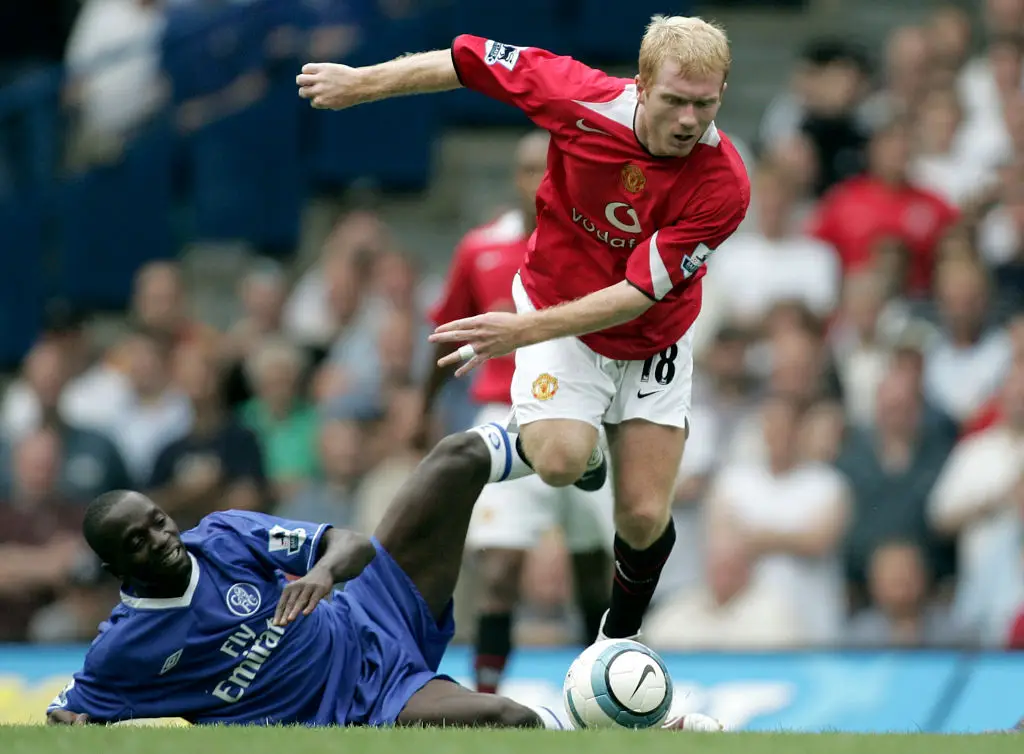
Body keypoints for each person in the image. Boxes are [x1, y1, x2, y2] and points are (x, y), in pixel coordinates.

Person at [297, 15, 750, 641]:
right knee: (562, 460)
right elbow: (466, 60)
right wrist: (362, 82)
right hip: (557, 310)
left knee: (643, 517)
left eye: (704, 104)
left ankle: (616, 645)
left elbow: (637, 294)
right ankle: (586, 453)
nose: (687, 120)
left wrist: (524, 330)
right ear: (642, 84)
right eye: (674, 100)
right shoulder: (577, 94)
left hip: (651, 337)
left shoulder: (724, 181)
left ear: (721, 92)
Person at [44, 425, 720, 731]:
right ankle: (629, 730)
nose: (163, 538)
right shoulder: (123, 650)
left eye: (159, 521)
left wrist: (325, 576)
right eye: (140, 540)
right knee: (507, 719)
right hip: (360, 705)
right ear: (116, 568)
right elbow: (71, 711)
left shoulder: (218, 536)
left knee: (455, 457)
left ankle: (578, 445)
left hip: (375, 606)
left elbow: (350, 543)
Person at [422, 129, 613, 694]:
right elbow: (445, 329)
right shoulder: (481, 248)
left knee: (593, 573)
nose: (542, 180)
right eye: (531, 168)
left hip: (583, 411)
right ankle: (484, 698)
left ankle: (599, 698)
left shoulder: (599, 245)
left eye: (552, 169)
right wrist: (420, 407)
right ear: (516, 177)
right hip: (503, 410)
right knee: (500, 566)